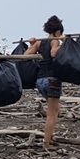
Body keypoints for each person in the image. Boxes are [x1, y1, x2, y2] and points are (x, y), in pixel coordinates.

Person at [30, 15, 66, 148]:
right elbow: (53, 53)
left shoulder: (40, 42)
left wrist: (31, 44)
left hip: (40, 80)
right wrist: (64, 43)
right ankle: (46, 141)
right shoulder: (55, 40)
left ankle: (50, 137)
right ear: (58, 31)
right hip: (52, 79)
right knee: (51, 113)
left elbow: (27, 54)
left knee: (55, 109)